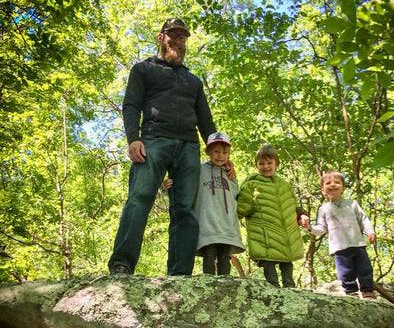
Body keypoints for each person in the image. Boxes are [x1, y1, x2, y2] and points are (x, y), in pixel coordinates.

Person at [108, 17, 223, 276]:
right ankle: (122, 263)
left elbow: (206, 121)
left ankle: (180, 274)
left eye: (183, 38)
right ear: (161, 38)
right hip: (153, 141)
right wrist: (132, 139)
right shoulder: (143, 69)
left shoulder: (193, 81)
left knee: (185, 209)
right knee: (139, 199)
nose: (178, 42)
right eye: (173, 36)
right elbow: (131, 105)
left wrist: (219, 151)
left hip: (188, 147)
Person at [164, 132, 245, 275]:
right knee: (209, 253)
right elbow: (184, 183)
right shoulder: (199, 169)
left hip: (227, 224)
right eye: (216, 151)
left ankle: (226, 283)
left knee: (225, 255)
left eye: (225, 152)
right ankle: (208, 281)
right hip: (207, 222)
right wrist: (167, 186)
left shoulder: (230, 174)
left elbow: (237, 197)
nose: (220, 156)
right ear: (207, 151)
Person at [299, 170, 377, 299]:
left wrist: (370, 232)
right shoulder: (324, 209)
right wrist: (309, 227)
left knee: (365, 269)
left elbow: (363, 219)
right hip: (339, 248)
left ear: (343, 188)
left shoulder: (352, 204)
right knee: (345, 273)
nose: (332, 185)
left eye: (337, 182)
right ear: (323, 190)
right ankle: (351, 292)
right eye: (328, 183)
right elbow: (322, 228)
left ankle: (367, 290)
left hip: (357, 244)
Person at [237, 144, 303, 288]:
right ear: (256, 165)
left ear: (276, 164)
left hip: (285, 230)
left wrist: (301, 214)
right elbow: (242, 205)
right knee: (268, 260)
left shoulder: (285, 185)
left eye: (269, 163)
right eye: (261, 163)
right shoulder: (251, 184)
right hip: (263, 231)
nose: (266, 166)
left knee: (287, 259)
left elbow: (292, 204)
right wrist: (235, 216)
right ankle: (272, 286)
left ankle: (289, 285)